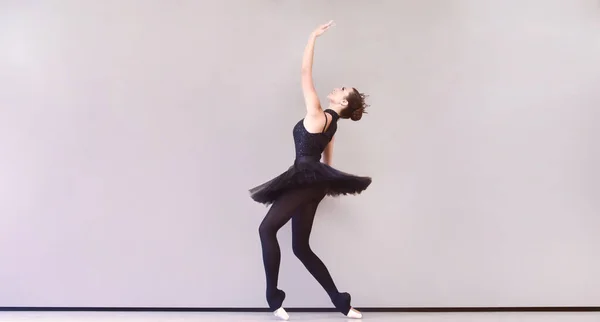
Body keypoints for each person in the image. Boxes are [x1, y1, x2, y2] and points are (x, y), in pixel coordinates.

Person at [249, 20, 371, 321]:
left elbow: (305, 74)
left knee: (266, 230)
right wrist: (322, 187)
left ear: (342, 102)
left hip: (305, 180)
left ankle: (273, 298)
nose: (337, 87)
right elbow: (327, 163)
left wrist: (312, 38)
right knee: (300, 247)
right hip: (314, 183)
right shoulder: (333, 126)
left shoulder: (317, 112)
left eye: (342, 89)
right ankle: (342, 303)